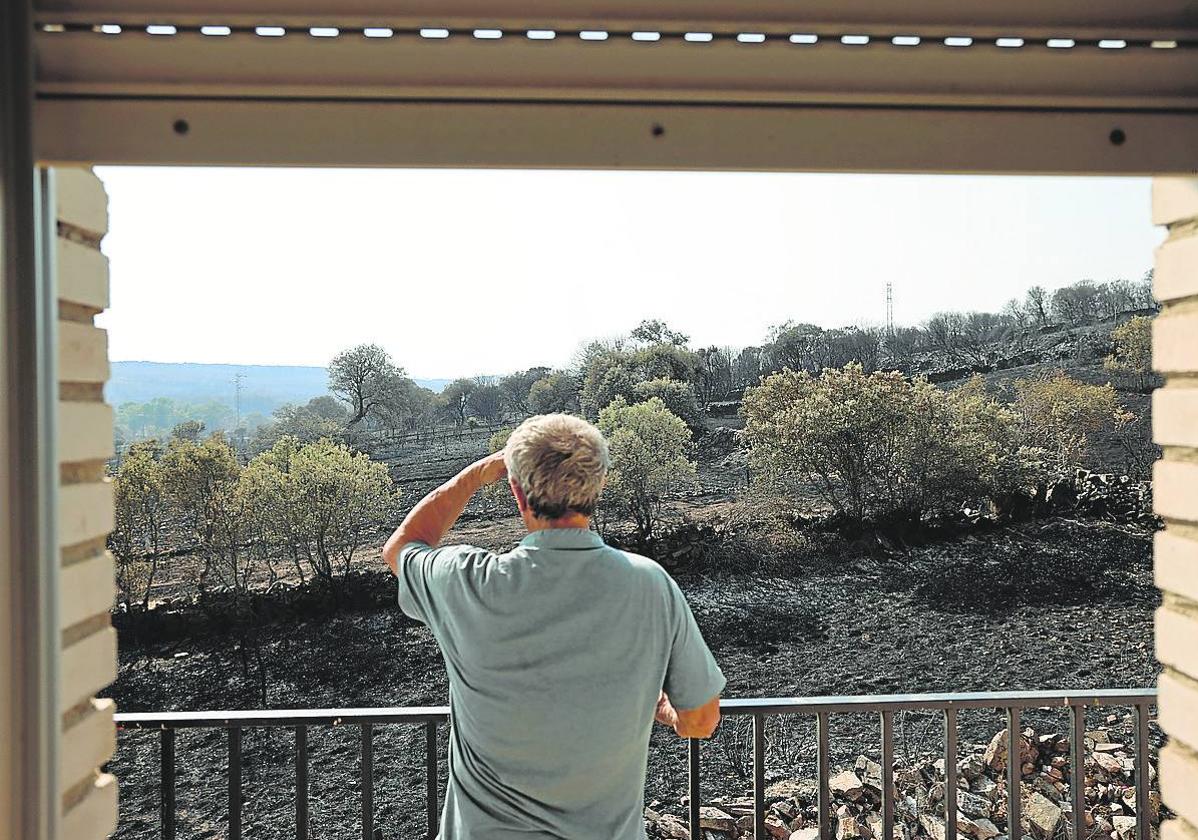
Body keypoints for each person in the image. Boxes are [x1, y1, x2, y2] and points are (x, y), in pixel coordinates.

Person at [382, 413, 724, 840]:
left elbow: (401, 547)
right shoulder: (650, 583)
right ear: (597, 488)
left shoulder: (469, 581)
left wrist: (473, 477)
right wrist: (665, 712)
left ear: (516, 493)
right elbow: (701, 721)